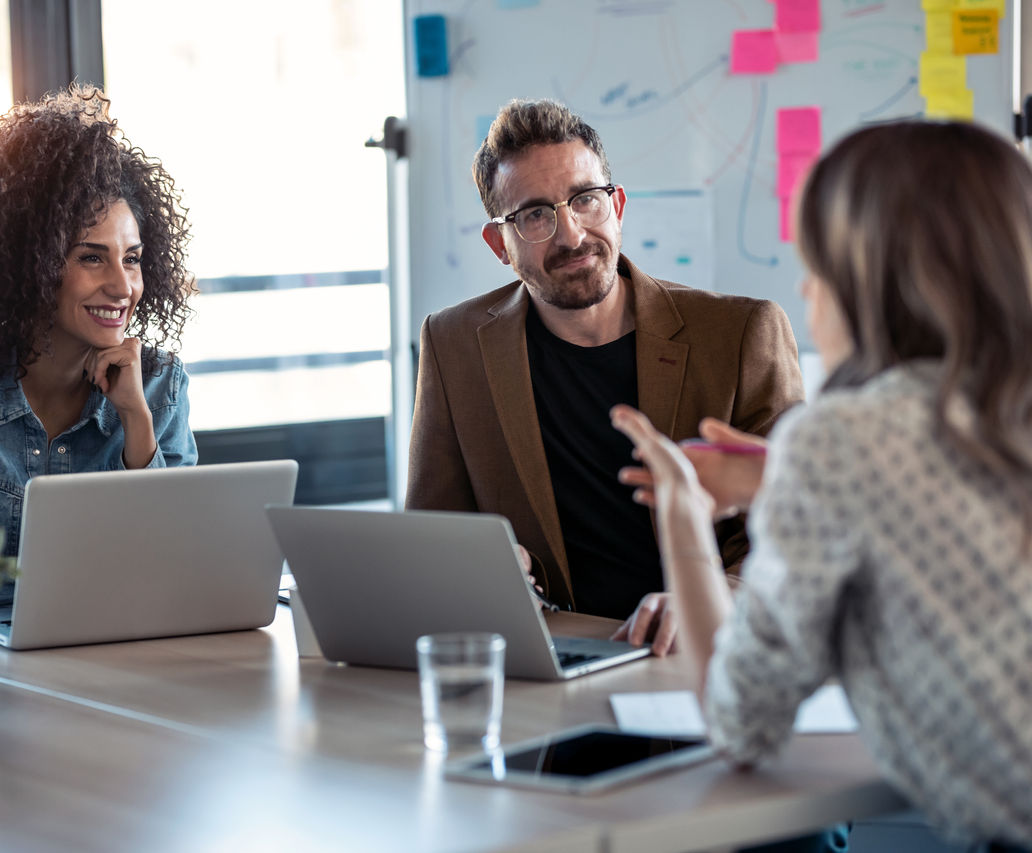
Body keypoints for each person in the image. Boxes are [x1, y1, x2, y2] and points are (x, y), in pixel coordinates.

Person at [612, 120, 1032, 849]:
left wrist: (683, 518)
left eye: (816, 267)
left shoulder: (842, 438)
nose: (804, 289)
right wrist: (785, 480)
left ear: (872, 284)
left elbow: (739, 721)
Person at [405, 99, 804, 653]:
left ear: (616, 206)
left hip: (699, 654)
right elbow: (431, 535)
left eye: (585, 200)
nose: (571, 235)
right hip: (547, 656)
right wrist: (482, 568)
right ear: (500, 245)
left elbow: (797, 527)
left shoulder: (742, 334)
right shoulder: (454, 343)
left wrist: (714, 597)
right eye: (535, 215)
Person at [0, 85, 198, 559]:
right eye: (91, 258)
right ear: (28, 264)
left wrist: (137, 421)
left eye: (132, 259)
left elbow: (176, 563)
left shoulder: (159, 386)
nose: (122, 286)